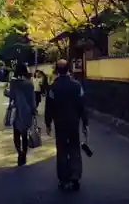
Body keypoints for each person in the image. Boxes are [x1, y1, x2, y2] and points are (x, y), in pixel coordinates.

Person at [45, 59, 88, 192]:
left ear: (57, 70)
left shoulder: (53, 87)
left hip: (60, 123)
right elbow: (82, 105)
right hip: (74, 122)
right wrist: (85, 122)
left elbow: (49, 107)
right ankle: (75, 175)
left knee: (62, 149)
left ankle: (63, 178)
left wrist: (48, 123)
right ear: (69, 69)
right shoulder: (77, 86)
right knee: (75, 148)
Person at [9, 62, 37, 166]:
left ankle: (19, 152)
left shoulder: (13, 83)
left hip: (16, 110)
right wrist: (34, 110)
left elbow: (11, 96)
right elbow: (32, 99)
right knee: (25, 134)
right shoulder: (29, 83)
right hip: (27, 111)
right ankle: (24, 154)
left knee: (16, 133)